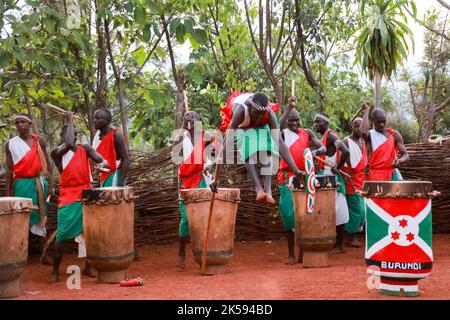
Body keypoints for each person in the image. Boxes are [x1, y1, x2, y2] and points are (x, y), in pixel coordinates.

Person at [49, 112, 108, 283]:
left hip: (86, 194)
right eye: (68, 133)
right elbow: (67, 144)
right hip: (68, 195)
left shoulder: (85, 148)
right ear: (62, 136)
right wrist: (69, 119)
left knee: (88, 233)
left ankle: (89, 266)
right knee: (62, 235)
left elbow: (101, 160)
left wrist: (100, 165)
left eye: (74, 133)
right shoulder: (56, 152)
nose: (72, 137)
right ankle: (55, 272)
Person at [217, 91, 304, 205]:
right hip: (242, 126)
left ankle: (268, 191)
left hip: (262, 125)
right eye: (257, 113)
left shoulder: (268, 114)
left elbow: (279, 142)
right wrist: (218, 171)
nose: (259, 117)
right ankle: (258, 188)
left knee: (267, 150)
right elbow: (227, 142)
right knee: (249, 149)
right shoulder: (240, 111)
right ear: (250, 108)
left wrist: (296, 170)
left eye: (261, 114)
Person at [278, 97, 326, 264]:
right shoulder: (282, 134)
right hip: (288, 178)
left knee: (305, 215)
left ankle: (302, 251)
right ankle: (291, 253)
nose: (294, 123)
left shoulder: (307, 133)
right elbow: (278, 124)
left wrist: (315, 152)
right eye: (291, 120)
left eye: (297, 120)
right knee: (288, 215)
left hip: (306, 178)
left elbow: (323, 147)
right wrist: (288, 107)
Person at [4, 113, 54, 264]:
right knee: (21, 218)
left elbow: (48, 163)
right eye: (17, 122)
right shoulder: (10, 144)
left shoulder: (39, 141)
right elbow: (9, 168)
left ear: (30, 124)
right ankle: (19, 255)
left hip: (39, 183)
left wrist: (51, 184)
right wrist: (8, 191)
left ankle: (44, 253)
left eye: (23, 122)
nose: (20, 125)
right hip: (20, 185)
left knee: (41, 217)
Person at [174, 111, 213, 269]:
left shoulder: (207, 136)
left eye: (192, 116)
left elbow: (215, 155)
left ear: (199, 121)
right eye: (186, 116)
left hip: (202, 178)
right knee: (186, 218)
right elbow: (176, 157)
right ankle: (181, 253)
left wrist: (209, 163)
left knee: (203, 216)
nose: (188, 118)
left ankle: (203, 252)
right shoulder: (181, 137)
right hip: (186, 180)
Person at [313, 112, 350, 253]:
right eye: (315, 122)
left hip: (332, 178)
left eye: (318, 122)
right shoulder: (324, 138)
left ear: (326, 123)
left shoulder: (331, 136)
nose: (316, 124)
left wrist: (337, 168)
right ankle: (334, 242)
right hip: (325, 176)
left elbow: (345, 151)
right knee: (329, 210)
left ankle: (340, 245)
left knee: (338, 210)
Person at [360, 104, 409, 181]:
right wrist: (366, 111)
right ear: (372, 121)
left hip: (393, 175)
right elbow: (363, 132)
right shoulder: (369, 135)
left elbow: (406, 155)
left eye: (384, 121)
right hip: (376, 176)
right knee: (377, 193)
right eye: (379, 122)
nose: (382, 124)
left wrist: (400, 160)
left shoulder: (394, 134)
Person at [342, 117, 368, 248]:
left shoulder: (363, 142)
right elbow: (341, 162)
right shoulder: (346, 142)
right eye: (356, 126)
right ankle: (349, 237)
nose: (359, 129)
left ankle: (351, 235)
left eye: (361, 126)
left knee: (362, 211)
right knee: (355, 209)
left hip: (361, 179)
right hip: (350, 179)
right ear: (352, 127)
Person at [92, 109, 129, 187]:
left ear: (106, 121)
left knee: (114, 199)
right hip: (102, 175)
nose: (94, 121)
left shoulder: (116, 135)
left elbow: (125, 159)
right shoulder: (98, 136)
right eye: (94, 118)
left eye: (98, 118)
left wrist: (121, 182)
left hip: (114, 176)